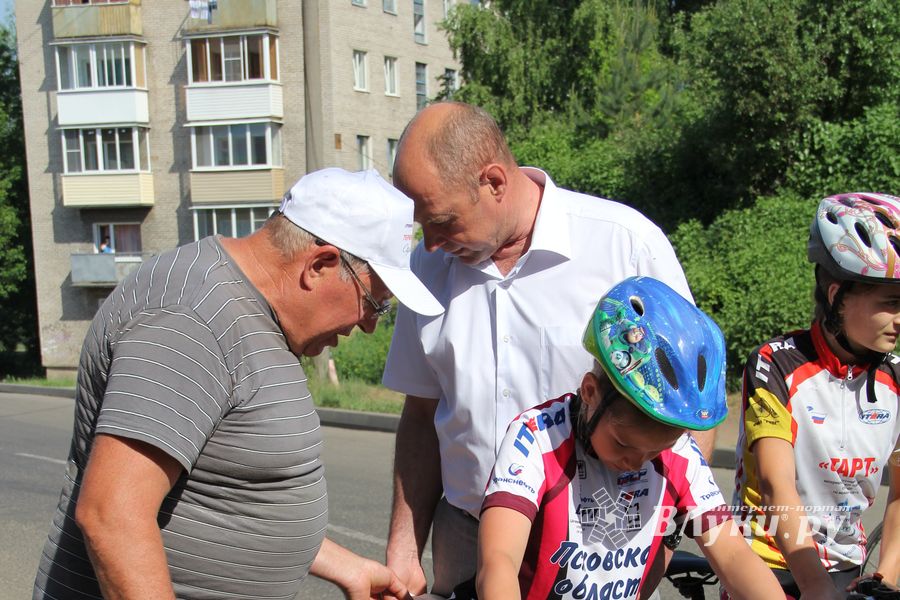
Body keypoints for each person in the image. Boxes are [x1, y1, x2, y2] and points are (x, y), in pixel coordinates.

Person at [33, 168, 442, 600]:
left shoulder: (253, 312)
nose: (371, 325)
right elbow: (112, 516)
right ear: (319, 265)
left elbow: (227, 488)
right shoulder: (191, 318)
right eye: (374, 303)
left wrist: (345, 564)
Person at [382, 101, 715, 596]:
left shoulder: (624, 246)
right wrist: (405, 550)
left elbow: (682, 402)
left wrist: (662, 534)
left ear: (493, 181)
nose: (429, 243)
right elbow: (420, 414)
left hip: (601, 538)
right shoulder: (428, 271)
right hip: (467, 533)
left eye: (442, 221)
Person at [475, 276, 783, 600]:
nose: (637, 462)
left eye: (656, 450)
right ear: (590, 392)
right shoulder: (537, 437)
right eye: (624, 443)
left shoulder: (681, 454)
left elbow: (734, 555)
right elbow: (498, 563)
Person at [732, 192, 900, 600]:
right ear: (835, 296)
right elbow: (776, 485)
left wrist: (887, 576)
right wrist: (814, 585)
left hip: (848, 565)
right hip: (771, 562)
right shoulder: (775, 364)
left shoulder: (896, 375)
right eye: (892, 303)